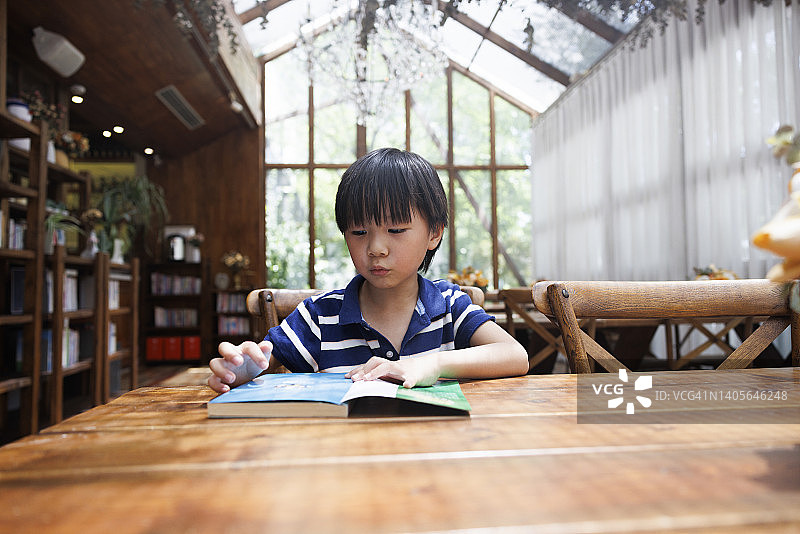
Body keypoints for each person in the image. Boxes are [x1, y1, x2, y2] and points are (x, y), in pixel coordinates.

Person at [208, 148, 529, 393]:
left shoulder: (448, 305)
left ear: (434, 233)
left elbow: (515, 355)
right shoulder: (319, 315)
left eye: (396, 230)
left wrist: (431, 362)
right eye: (359, 233)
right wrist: (243, 369)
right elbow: (260, 367)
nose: (376, 248)